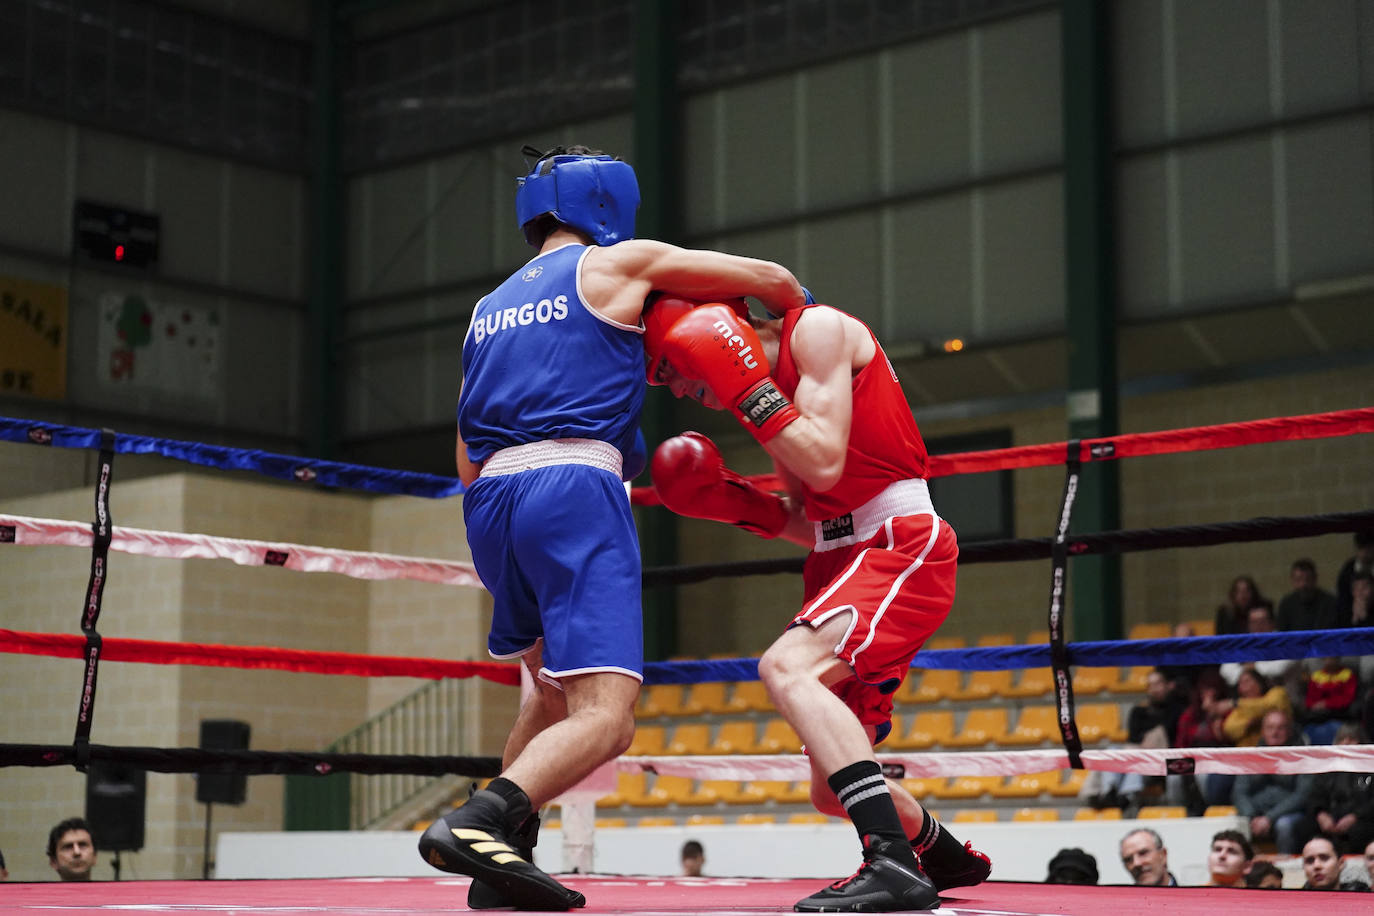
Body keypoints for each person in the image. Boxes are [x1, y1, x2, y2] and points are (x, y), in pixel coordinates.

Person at [417, 145, 804, 912]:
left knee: (549, 695)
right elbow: (771, 279)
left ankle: (504, 865)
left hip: (488, 505)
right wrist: (797, 318)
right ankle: (483, 818)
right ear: (606, 203)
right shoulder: (613, 264)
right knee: (608, 717)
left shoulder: (486, 306)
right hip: (573, 487)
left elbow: (464, 448)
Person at [643, 296, 988, 912]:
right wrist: (738, 503)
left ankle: (891, 863)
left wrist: (745, 386)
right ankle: (942, 855)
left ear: (717, 330)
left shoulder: (820, 331)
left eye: (670, 365)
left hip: (900, 543)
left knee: (785, 667)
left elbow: (826, 460)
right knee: (833, 789)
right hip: (841, 556)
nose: (675, 388)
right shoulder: (766, 397)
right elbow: (816, 521)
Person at [1233, 708, 1313, 854]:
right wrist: (1251, 816)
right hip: (1254, 815)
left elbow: (1302, 795)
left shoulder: (1302, 756)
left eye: (1280, 728)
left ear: (1289, 731)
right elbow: (1239, 792)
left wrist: (1269, 818)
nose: (1274, 733)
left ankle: (1286, 866)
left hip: (1288, 814)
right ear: (1262, 731)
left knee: (1284, 826)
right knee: (1233, 824)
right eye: (1270, 727)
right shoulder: (1251, 756)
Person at [1300, 723, 1374, 855]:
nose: (1346, 743)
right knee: (1303, 827)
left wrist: (1355, 816)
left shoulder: (1370, 767)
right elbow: (1314, 795)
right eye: (1342, 739)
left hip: (1361, 819)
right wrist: (1321, 814)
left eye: (1352, 739)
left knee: (1360, 831)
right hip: (1331, 818)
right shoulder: (1327, 767)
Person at [1301, 656, 1359, 745]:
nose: (1329, 660)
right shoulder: (1316, 676)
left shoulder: (1347, 675)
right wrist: (1315, 705)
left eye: (1333, 657)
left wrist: (1327, 703)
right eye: (1326, 657)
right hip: (1318, 717)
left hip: (1339, 716)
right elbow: (1309, 700)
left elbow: (1348, 698)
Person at [1277, 558, 1342, 632]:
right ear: (1292, 580)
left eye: (1307, 579)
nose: (1303, 584)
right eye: (1299, 580)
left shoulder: (1329, 603)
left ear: (1315, 579)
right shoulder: (1286, 604)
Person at [1301, 834, 1370, 891]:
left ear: (1341, 863)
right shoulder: (1296, 899)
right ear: (1303, 867)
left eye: (1324, 858)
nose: (1316, 866)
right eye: (1310, 861)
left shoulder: (1360, 893)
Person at [1335, 530, 1374, 624]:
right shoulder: (1347, 570)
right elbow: (1342, 602)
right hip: (1349, 619)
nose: (1365, 552)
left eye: (1368, 548)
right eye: (1361, 547)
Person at [47, 817, 96, 881]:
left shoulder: (110, 891)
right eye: (68, 847)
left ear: (94, 857)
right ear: (54, 861)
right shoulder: (39, 891)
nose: (77, 852)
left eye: (82, 845)